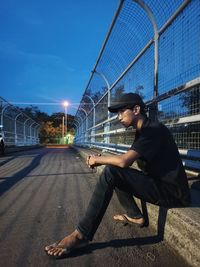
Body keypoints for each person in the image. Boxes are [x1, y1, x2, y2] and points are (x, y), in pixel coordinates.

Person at [45, 93, 191, 259]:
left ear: (136, 109)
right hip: (161, 185)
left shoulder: (152, 130)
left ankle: (81, 235)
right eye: (117, 113)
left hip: (172, 193)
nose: (118, 117)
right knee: (115, 171)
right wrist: (106, 159)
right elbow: (128, 162)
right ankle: (136, 216)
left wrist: (98, 160)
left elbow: (124, 162)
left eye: (122, 111)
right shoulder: (144, 130)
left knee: (112, 171)